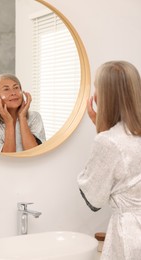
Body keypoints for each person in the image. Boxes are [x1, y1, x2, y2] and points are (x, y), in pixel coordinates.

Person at [77, 61, 141, 260]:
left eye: (97, 86)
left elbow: (94, 198)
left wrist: (103, 131)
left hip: (131, 235)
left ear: (104, 96)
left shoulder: (109, 142)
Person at [0, 73, 46, 152]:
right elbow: (5, 159)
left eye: (16, 87)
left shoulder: (35, 117)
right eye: (6, 89)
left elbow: (35, 152)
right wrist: (9, 122)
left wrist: (22, 117)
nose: (13, 93)